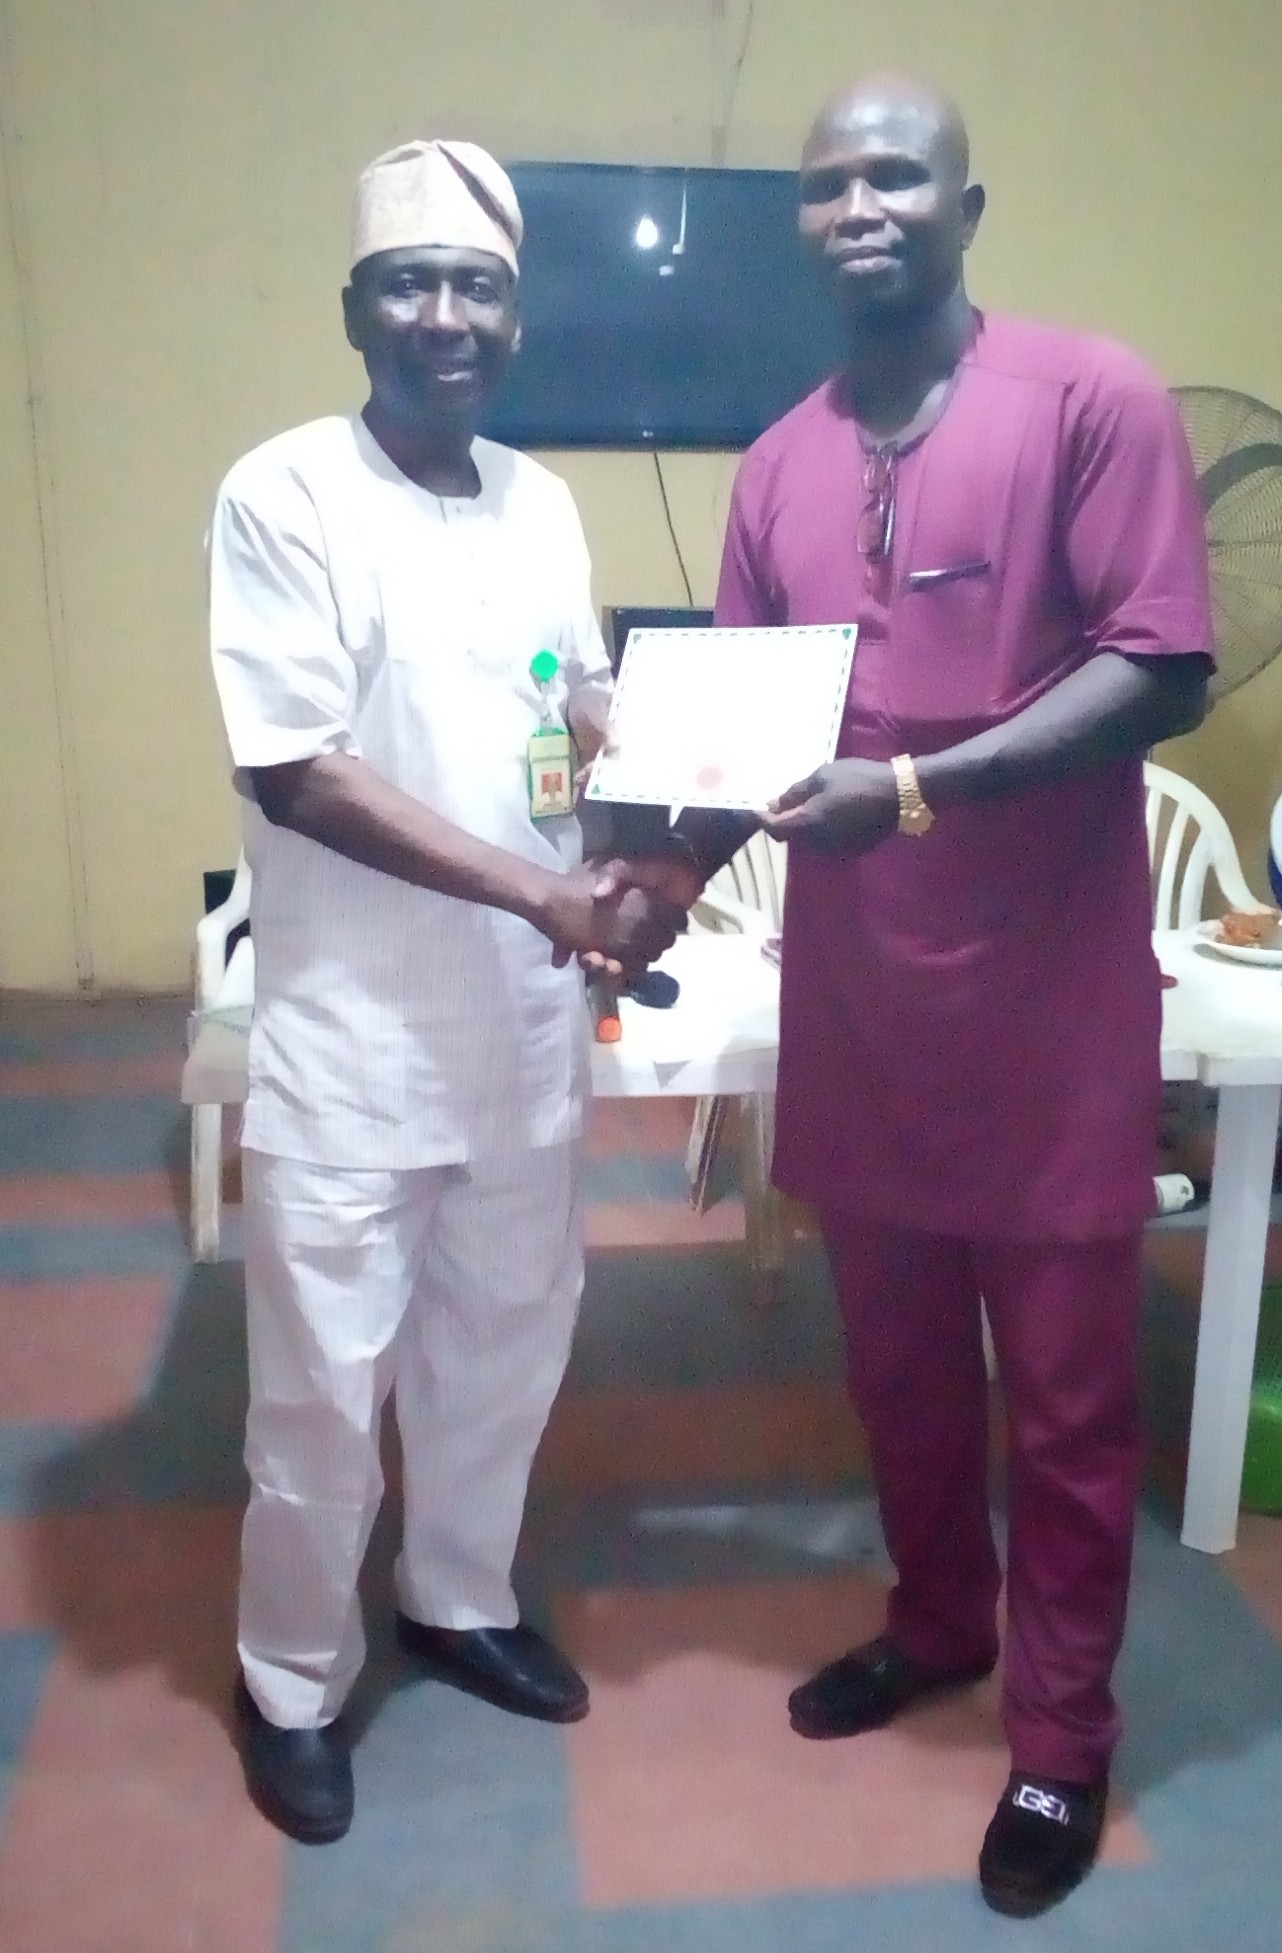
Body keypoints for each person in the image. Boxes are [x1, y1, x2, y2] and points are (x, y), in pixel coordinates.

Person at [640, 75, 1213, 1918]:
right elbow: (739, 730)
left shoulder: (1089, 401)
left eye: (896, 175)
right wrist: (650, 881)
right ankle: (940, 1620)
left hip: (1047, 1018)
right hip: (861, 1010)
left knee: (1066, 1404)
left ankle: (1058, 1737)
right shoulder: (776, 464)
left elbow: (1160, 666)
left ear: (967, 207)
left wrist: (909, 788)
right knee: (894, 1376)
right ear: (800, 226)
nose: (860, 206)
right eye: (827, 185)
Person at [207, 138, 684, 1844]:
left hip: (521, 1029)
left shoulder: (540, 503)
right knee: (322, 1390)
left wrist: (655, 811)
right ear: (356, 309)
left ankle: (457, 1600)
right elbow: (297, 770)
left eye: (476, 286)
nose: (445, 315)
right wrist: (547, 892)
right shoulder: (282, 493)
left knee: (503, 1347)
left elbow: (571, 707)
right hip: (356, 1036)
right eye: (409, 283)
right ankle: (289, 1679)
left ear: (513, 318)